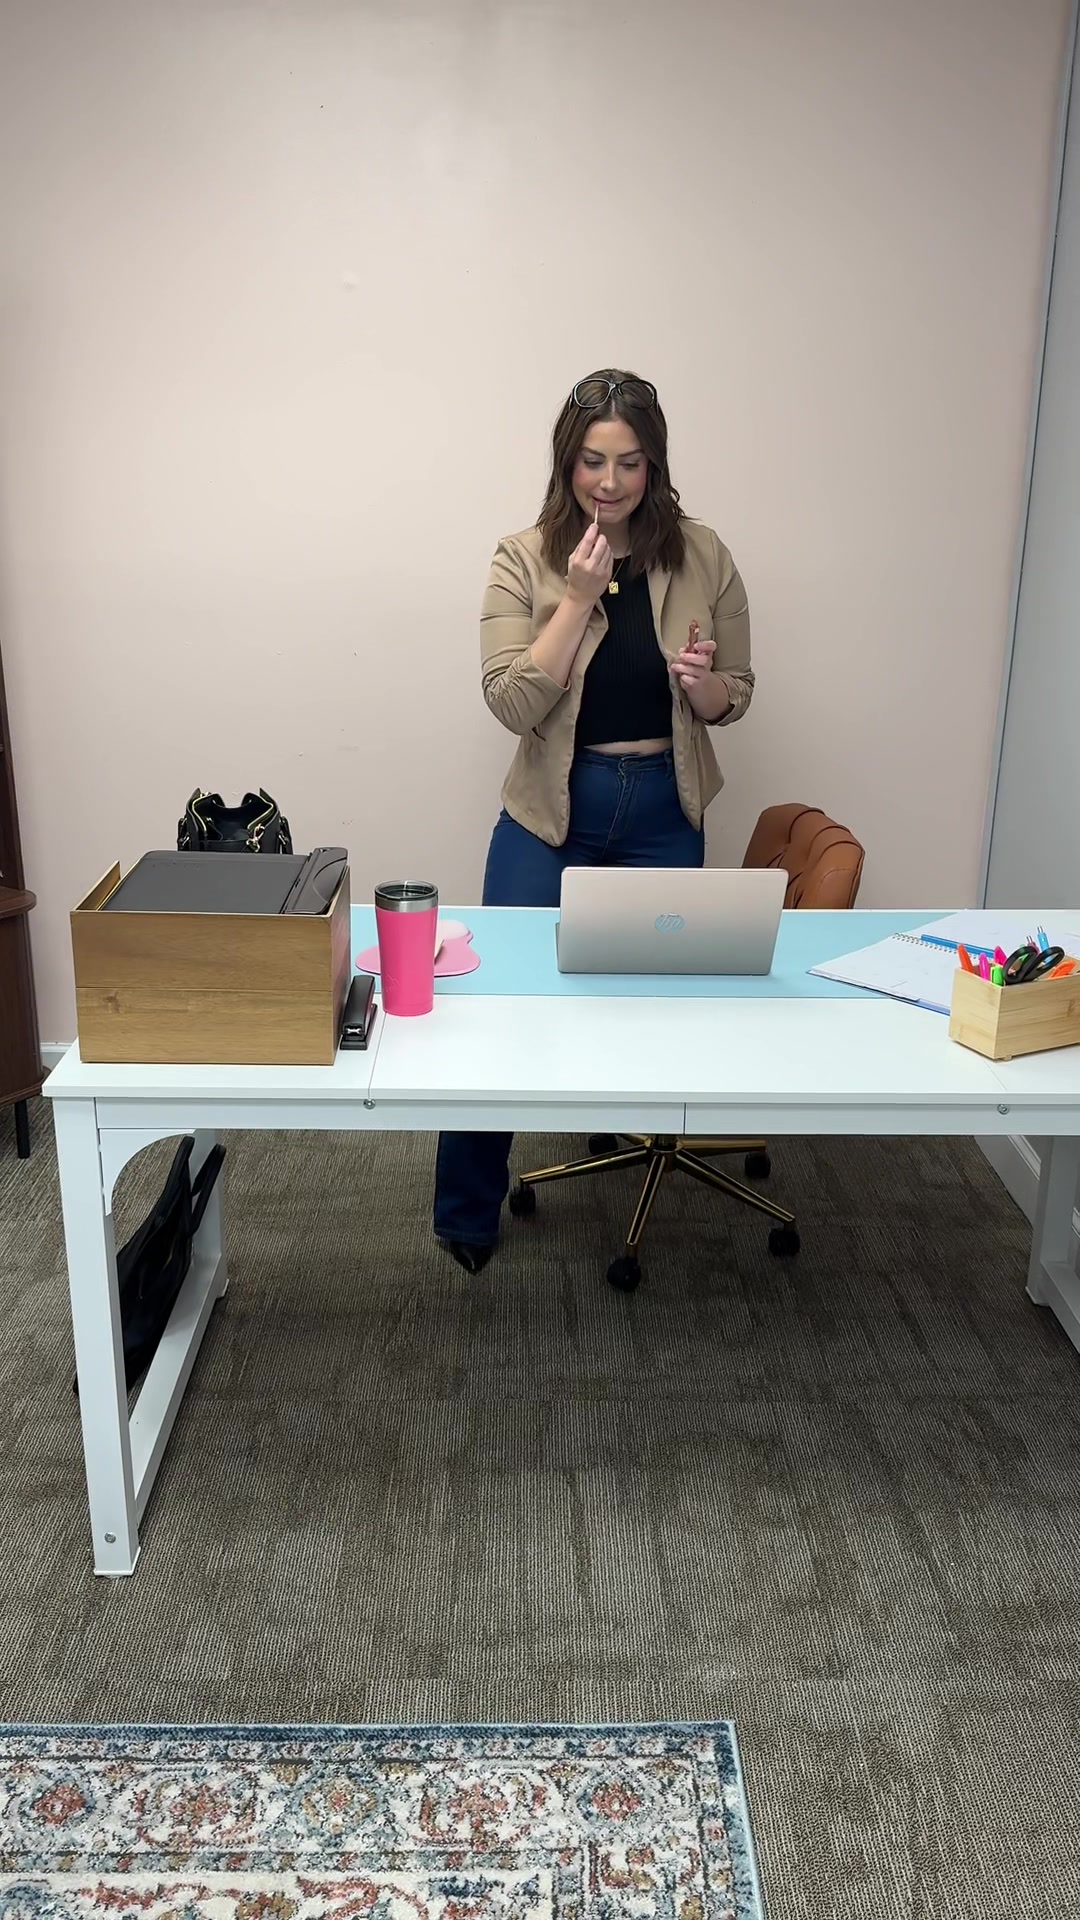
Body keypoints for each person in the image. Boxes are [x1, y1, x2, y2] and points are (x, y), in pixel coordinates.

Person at [433, 369, 755, 1271]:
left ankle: (632, 1141)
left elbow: (738, 694)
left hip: (662, 810)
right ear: (565, 462)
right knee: (495, 1006)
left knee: (655, 1005)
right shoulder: (522, 556)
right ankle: (465, 1214)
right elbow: (511, 702)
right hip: (552, 811)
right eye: (591, 461)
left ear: (654, 466)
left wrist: (705, 685)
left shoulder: (703, 554)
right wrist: (577, 598)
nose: (609, 483)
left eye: (630, 463)